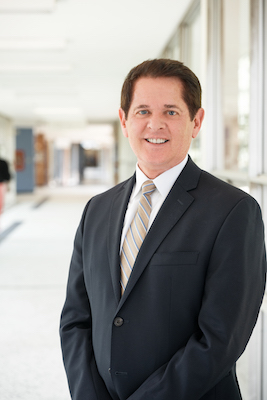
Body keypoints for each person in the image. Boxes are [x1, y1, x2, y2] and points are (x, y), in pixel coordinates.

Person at [60, 59, 266, 400]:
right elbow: (76, 319)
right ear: (124, 121)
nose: (155, 124)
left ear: (196, 121)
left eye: (171, 112)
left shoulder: (234, 211)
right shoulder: (97, 209)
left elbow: (220, 339)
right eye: (142, 111)